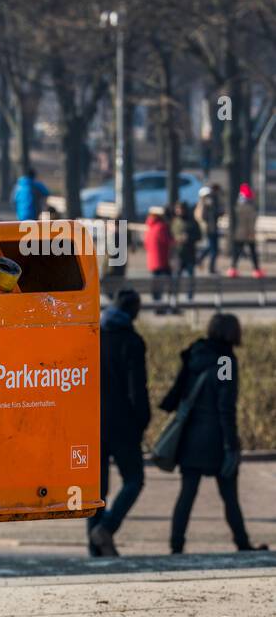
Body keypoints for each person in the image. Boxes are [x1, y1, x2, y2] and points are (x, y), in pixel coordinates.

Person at [160, 313, 266, 553]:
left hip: (190, 436)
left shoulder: (194, 353)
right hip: (216, 437)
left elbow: (178, 392)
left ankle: (176, 545)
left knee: (187, 494)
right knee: (229, 495)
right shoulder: (225, 361)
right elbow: (225, 406)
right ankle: (242, 543)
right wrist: (232, 444)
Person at [88, 288, 149, 557]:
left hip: (91, 422)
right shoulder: (132, 342)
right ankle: (107, 528)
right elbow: (138, 389)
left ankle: (95, 550)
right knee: (134, 479)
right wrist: (142, 422)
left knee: (96, 491)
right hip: (123, 424)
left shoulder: (93, 336)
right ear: (132, 310)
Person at [170, 199, 201, 307]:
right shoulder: (175, 222)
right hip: (178, 254)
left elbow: (199, 236)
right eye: (177, 209)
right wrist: (177, 239)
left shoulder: (192, 222)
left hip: (190, 253)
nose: (179, 211)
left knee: (190, 277)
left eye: (181, 209)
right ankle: (174, 298)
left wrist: (190, 238)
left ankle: (190, 297)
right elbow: (170, 236)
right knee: (176, 278)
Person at [227, 183, 262, 278]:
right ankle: (256, 270)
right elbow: (251, 222)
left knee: (237, 252)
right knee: (253, 252)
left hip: (239, 233)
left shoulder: (237, 207)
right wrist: (251, 232)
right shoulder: (250, 208)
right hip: (249, 233)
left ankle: (232, 269)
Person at [144, 207, 174, 311]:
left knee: (156, 285)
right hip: (162, 261)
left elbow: (146, 244)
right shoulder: (162, 227)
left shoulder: (150, 228)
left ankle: (157, 307)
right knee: (170, 284)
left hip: (152, 261)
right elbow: (168, 241)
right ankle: (168, 307)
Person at [194, 183, 222, 274]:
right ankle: (210, 267)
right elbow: (203, 216)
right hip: (210, 228)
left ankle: (200, 259)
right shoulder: (207, 202)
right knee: (213, 249)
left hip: (211, 227)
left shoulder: (207, 201)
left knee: (211, 248)